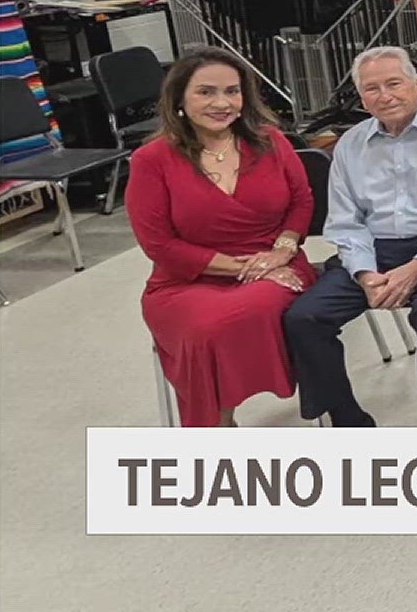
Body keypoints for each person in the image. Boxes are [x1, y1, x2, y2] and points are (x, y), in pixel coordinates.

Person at [283, 47, 417, 426]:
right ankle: (348, 418)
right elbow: (346, 221)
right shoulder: (349, 145)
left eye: (394, 83)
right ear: (361, 98)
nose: (385, 95)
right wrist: (365, 273)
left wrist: (416, 267)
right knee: (304, 317)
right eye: (372, 89)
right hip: (373, 252)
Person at [126, 48, 315, 426]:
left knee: (236, 316)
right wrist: (243, 269)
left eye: (232, 91)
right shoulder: (151, 160)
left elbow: (301, 201)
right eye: (206, 92)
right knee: (202, 328)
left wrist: (282, 249)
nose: (222, 103)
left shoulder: (271, 141)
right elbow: (159, 245)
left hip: (276, 262)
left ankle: (211, 429)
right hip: (187, 278)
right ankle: (217, 430)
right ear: (179, 99)